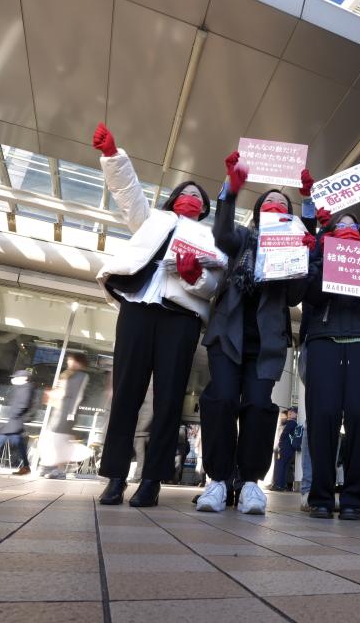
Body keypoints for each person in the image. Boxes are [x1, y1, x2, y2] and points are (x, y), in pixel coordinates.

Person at [91, 123, 225, 507]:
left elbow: (212, 287)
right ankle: (115, 476)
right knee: (126, 394)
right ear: (172, 200)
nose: (191, 197)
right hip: (137, 309)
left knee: (169, 399)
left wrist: (193, 276)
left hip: (180, 319)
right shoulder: (150, 220)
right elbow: (128, 192)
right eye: (185, 192)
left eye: (198, 196)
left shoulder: (211, 236)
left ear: (205, 208)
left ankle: (152, 480)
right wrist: (114, 156)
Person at [195, 153, 314, 514]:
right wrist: (230, 190)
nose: (277, 205)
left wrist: (303, 262)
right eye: (270, 202)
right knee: (222, 400)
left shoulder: (294, 244)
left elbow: (294, 297)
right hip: (228, 336)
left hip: (268, 344)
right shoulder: (243, 238)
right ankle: (217, 481)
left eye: (283, 204)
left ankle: (249, 483)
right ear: (260, 210)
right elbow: (221, 232)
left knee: (260, 406)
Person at [303, 210, 360, 520]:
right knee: (322, 417)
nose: (348, 228)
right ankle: (321, 497)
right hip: (324, 339)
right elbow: (307, 295)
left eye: (354, 224)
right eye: (341, 224)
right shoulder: (319, 258)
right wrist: (322, 258)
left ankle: (355, 497)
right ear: (329, 231)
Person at [41, 353, 89, 480]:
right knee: (56, 439)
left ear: (79, 362)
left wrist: (71, 414)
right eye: (69, 360)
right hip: (59, 410)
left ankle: (59, 468)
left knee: (59, 439)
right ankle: (57, 468)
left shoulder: (81, 375)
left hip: (67, 412)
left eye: (71, 360)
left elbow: (78, 396)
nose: (69, 362)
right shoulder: (68, 374)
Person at [272, 409, 300, 492]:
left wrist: (280, 444)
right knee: (285, 467)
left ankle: (278, 485)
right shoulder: (295, 424)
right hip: (290, 449)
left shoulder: (290, 423)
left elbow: (284, 435)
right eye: (289, 412)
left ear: (296, 414)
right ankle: (282, 485)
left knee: (280, 466)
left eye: (292, 412)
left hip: (284, 448)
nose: (290, 413)